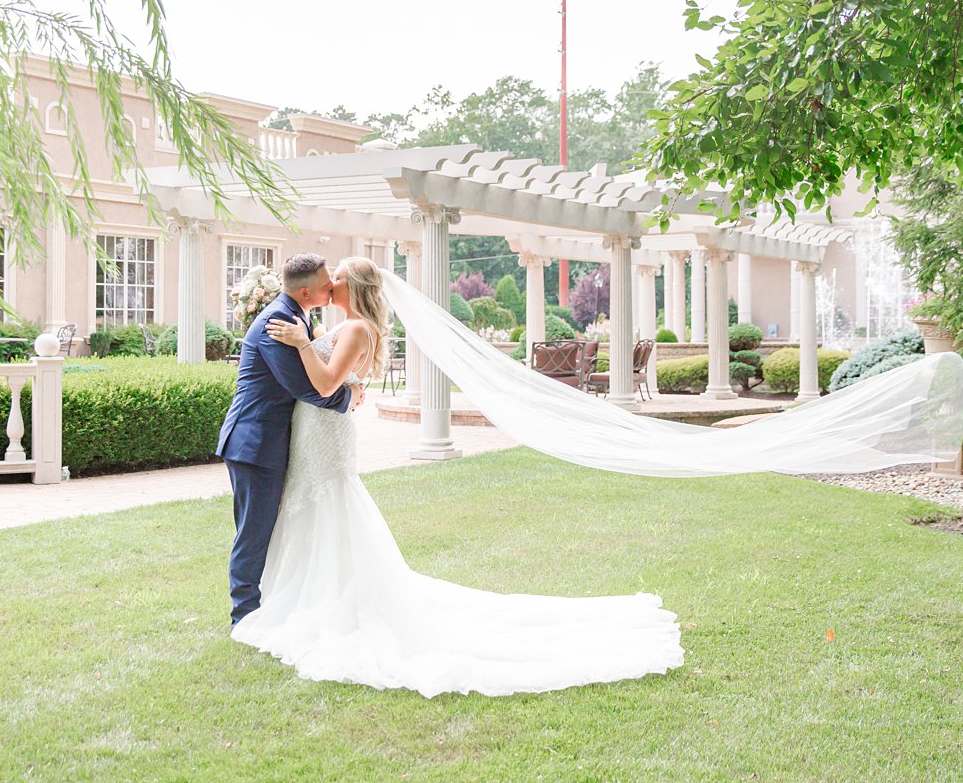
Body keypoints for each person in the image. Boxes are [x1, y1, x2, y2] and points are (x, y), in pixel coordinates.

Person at [230, 256, 684, 697]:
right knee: (314, 514)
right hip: (315, 433)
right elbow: (329, 384)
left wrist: (308, 347)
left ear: (355, 288)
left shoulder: (350, 328)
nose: (331, 284)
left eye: (339, 278)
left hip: (326, 437)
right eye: (328, 279)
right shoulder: (337, 325)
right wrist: (325, 361)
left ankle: (321, 606)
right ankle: (305, 599)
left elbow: (325, 385)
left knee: (329, 510)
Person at [216, 253, 364, 627]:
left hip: (271, 441)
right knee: (254, 531)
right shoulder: (278, 321)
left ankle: (265, 605)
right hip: (254, 441)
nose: (331, 286)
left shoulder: (299, 315)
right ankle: (243, 617)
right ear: (305, 291)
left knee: (265, 527)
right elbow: (303, 388)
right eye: (325, 283)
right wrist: (348, 398)